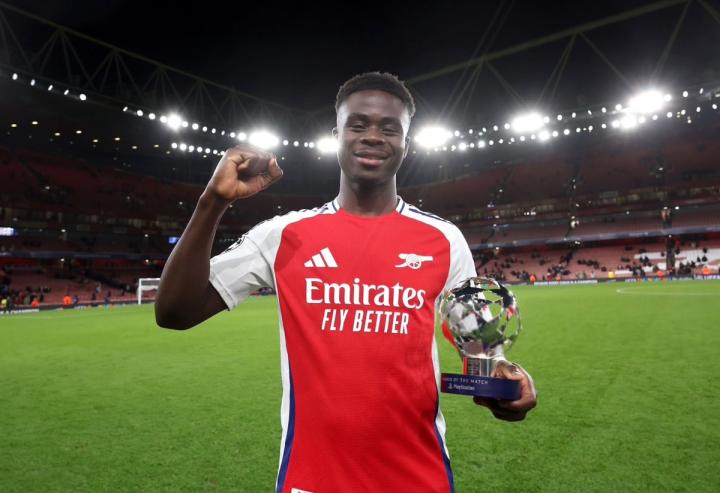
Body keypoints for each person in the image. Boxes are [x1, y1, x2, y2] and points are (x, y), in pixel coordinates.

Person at [155, 72, 537, 493]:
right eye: (358, 124)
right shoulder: (284, 235)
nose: (372, 136)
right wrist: (212, 202)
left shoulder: (444, 240)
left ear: (406, 144)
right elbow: (174, 312)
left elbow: (477, 346)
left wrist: (503, 377)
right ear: (336, 135)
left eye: (389, 128)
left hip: (419, 478)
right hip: (311, 481)